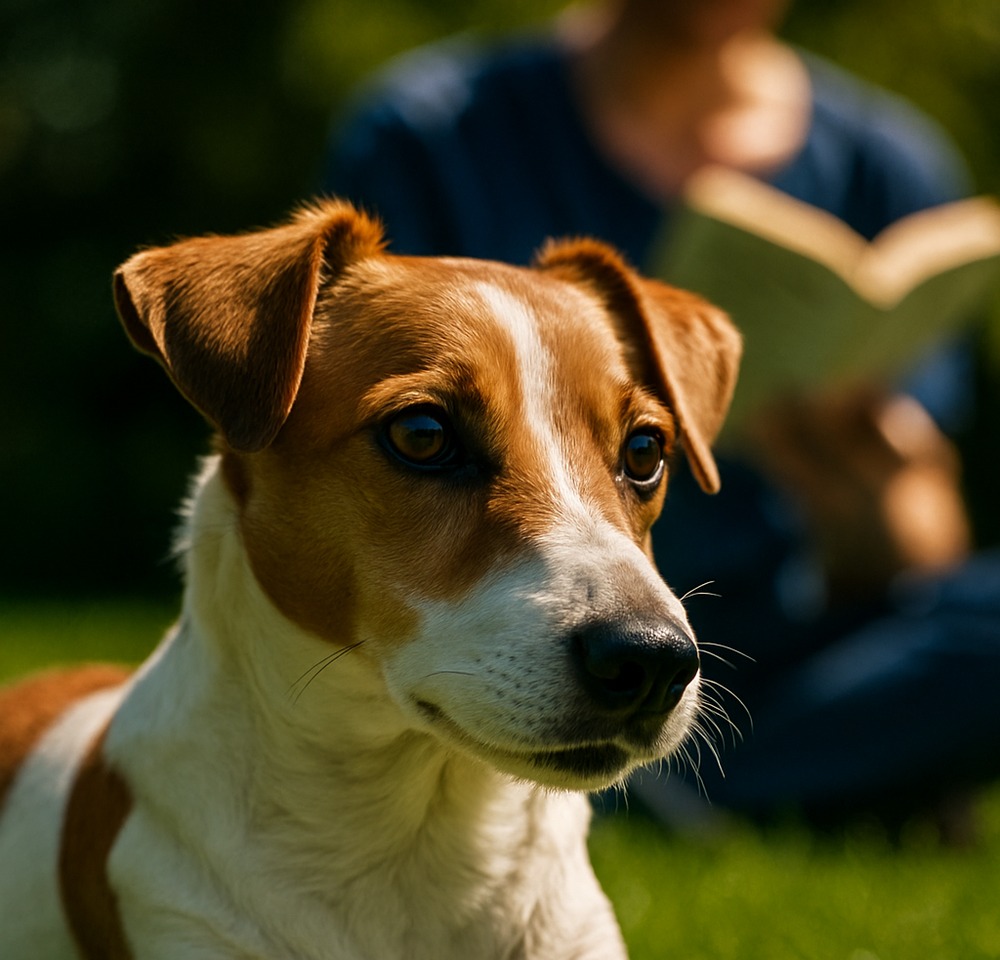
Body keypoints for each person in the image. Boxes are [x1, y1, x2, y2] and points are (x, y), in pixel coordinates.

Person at [323, 0, 1000, 834]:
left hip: (808, 641)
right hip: (523, 618)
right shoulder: (437, 132)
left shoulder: (888, 164)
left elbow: (930, 544)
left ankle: (703, 783)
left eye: (648, 448)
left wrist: (881, 497)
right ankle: (822, 772)